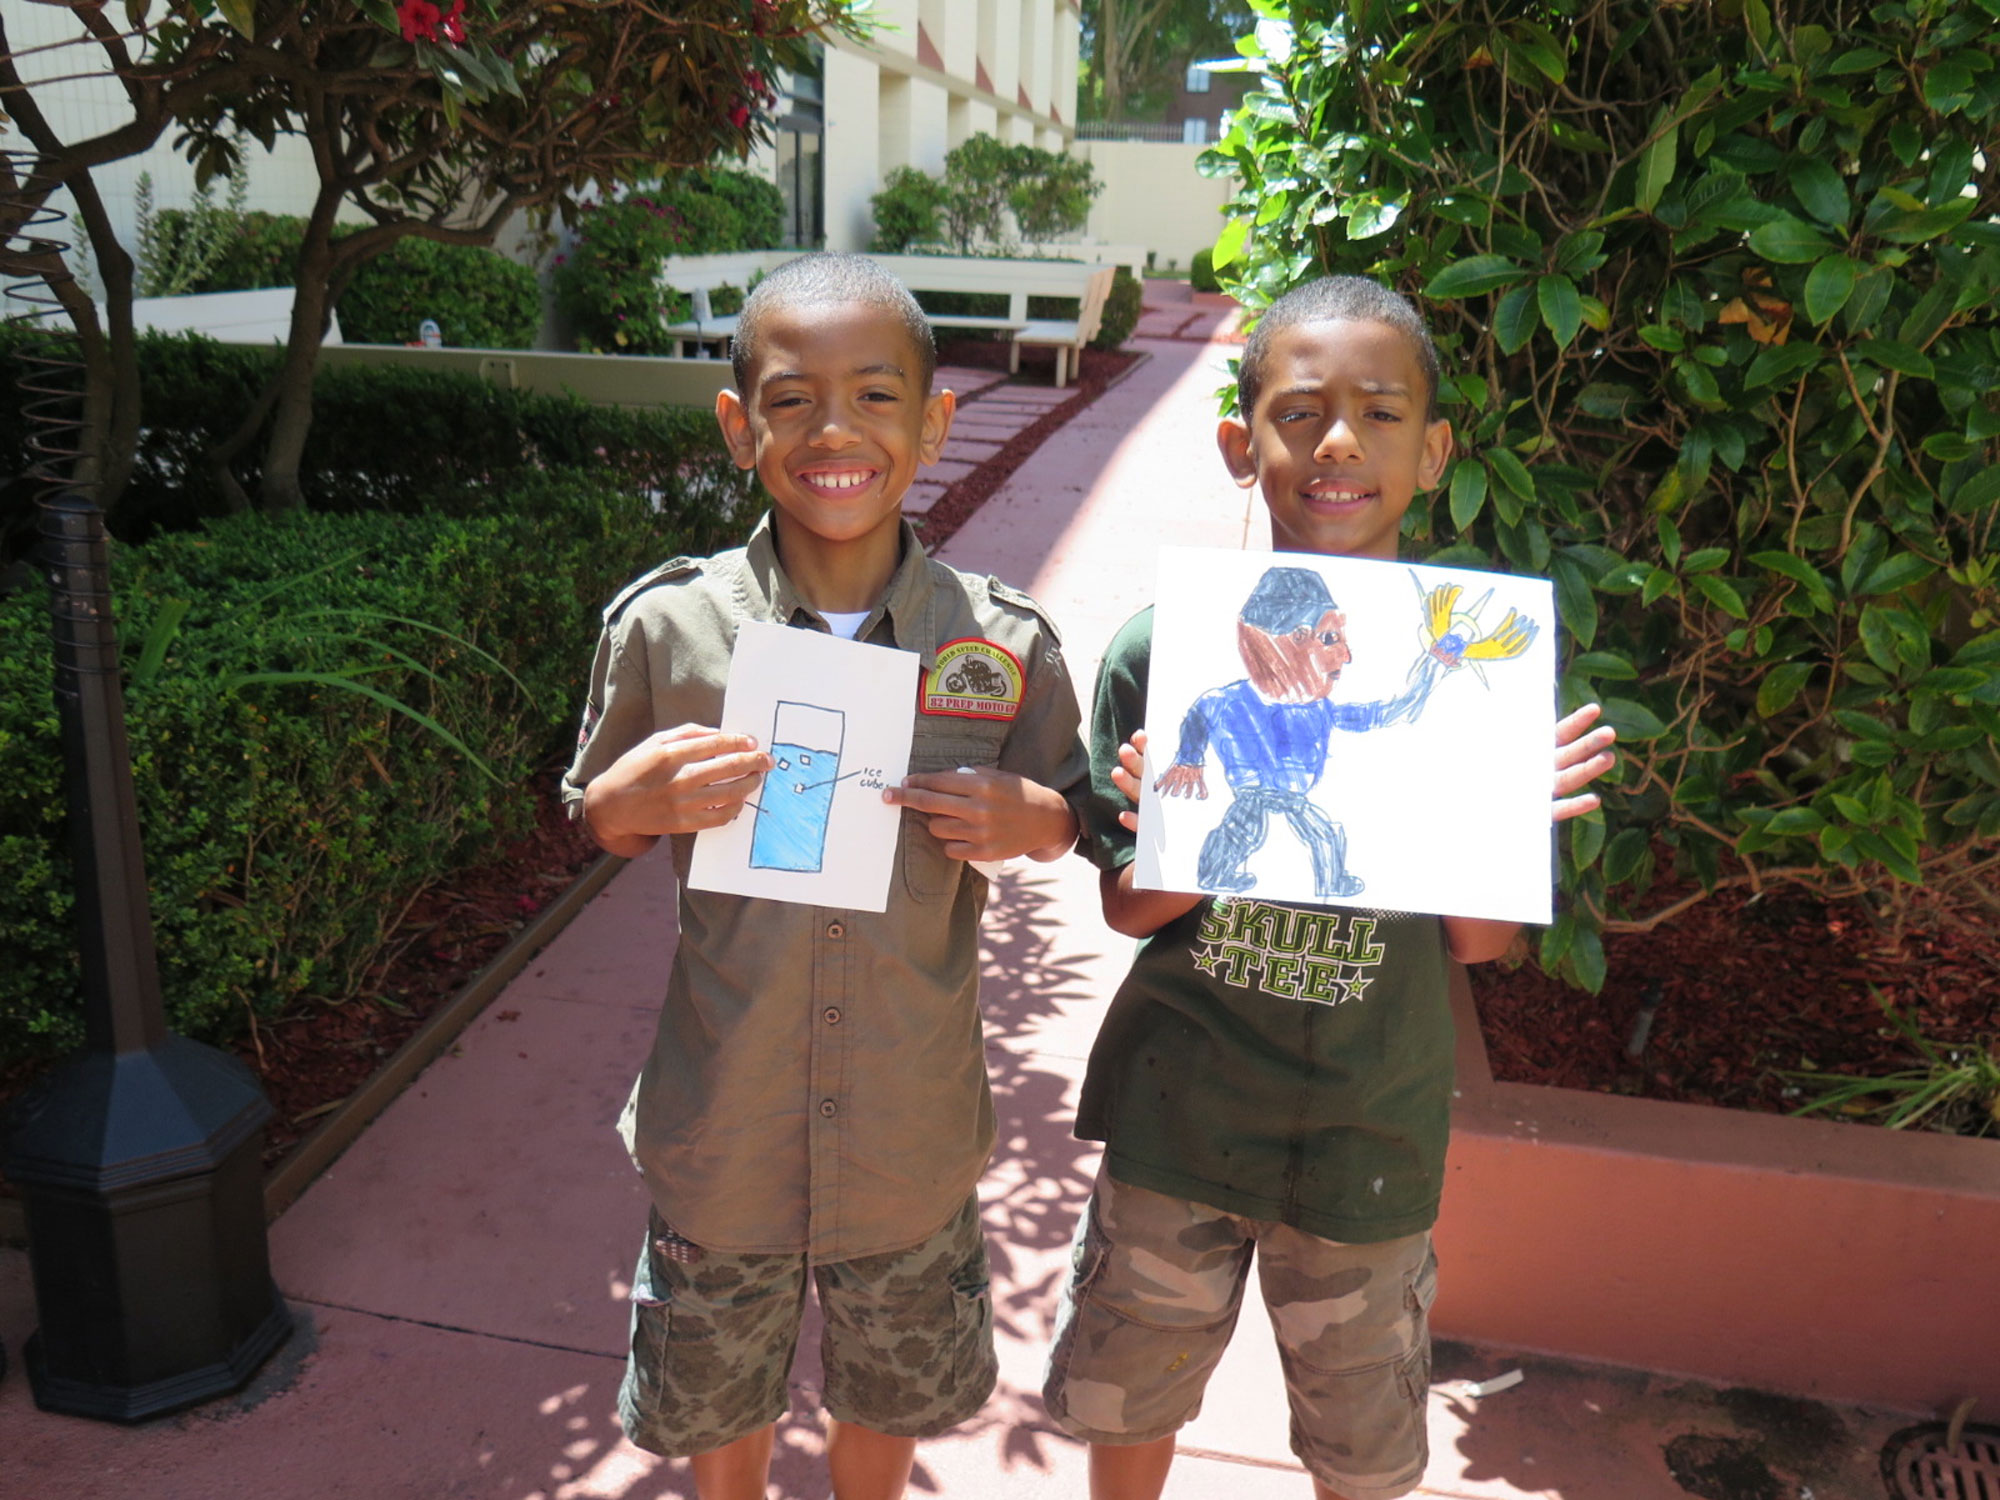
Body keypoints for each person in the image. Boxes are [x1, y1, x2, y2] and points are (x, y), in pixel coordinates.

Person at [1041, 275, 1618, 1500]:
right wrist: (1164, 816)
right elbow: (1129, 910)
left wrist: (1496, 813)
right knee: (1127, 1405)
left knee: (1360, 1451)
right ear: (1238, 447)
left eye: (1379, 414)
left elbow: (1478, 946)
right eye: (1298, 414)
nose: (1339, 442)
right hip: (1177, 1112)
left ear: (1433, 451)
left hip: (1368, 1132)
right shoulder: (1165, 652)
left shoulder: (1476, 687)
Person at [565, 252, 1088, 1500]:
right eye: (792, 401)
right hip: (725, 1123)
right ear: (739, 427)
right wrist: (617, 805)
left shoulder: (996, 641)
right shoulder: (669, 630)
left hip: (906, 1133)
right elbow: (597, 810)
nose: (835, 432)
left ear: (934, 421)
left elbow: (1073, 814)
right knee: (717, 1405)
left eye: (874, 396)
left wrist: (1033, 821)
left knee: (886, 1394)